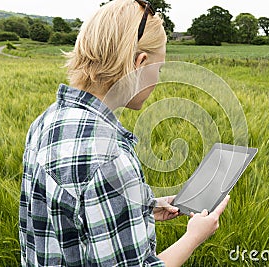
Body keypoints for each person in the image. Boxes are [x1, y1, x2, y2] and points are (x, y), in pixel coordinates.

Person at [19, 0, 230, 266]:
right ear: (140, 63)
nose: (158, 79)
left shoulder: (47, 120)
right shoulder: (110, 157)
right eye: (159, 69)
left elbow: (68, 215)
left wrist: (144, 205)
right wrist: (194, 237)